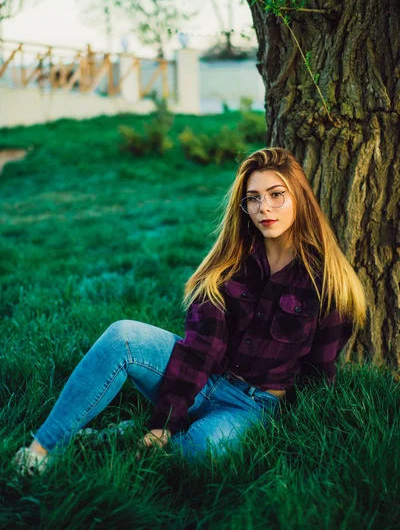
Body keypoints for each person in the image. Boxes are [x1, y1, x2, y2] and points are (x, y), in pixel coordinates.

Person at [13, 147, 367, 475]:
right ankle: (40, 452)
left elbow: (319, 376)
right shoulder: (228, 265)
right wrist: (164, 422)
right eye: (254, 199)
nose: (265, 208)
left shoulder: (329, 284)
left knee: (203, 448)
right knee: (123, 335)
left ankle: (114, 440)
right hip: (202, 378)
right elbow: (199, 349)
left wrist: (296, 441)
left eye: (277, 195)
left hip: (250, 407)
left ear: (299, 200)